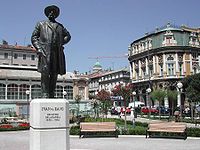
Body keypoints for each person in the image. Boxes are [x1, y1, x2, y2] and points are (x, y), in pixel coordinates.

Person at [31, 5, 71, 98]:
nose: (51, 14)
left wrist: (61, 43)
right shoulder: (41, 24)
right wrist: (39, 48)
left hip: (56, 52)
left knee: (54, 72)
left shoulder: (60, 26)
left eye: (53, 12)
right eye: (49, 12)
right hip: (45, 51)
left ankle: (51, 92)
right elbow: (34, 37)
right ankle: (45, 93)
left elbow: (68, 36)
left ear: (56, 15)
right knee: (45, 72)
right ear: (47, 13)